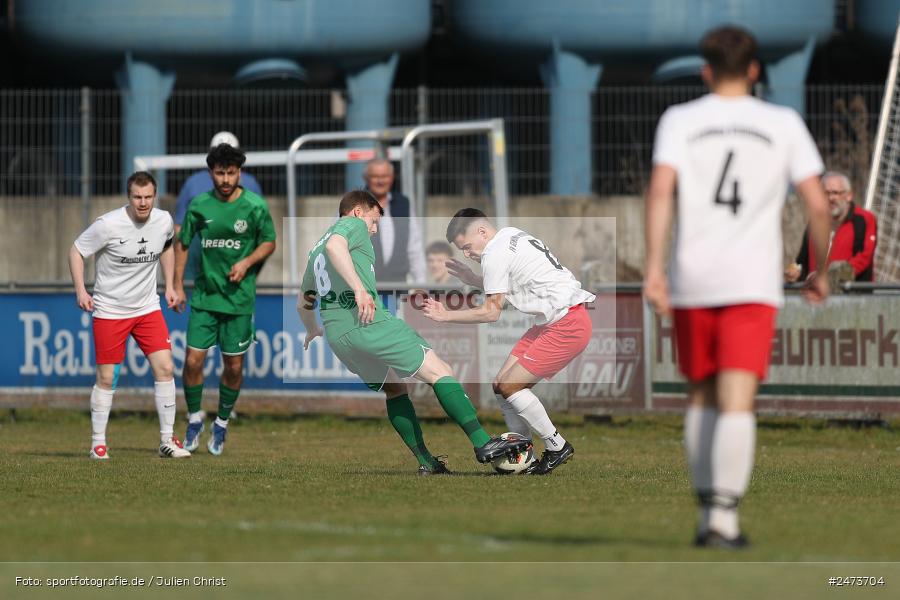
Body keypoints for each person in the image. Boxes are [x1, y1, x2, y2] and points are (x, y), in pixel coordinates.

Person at [643, 26, 831, 549]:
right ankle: (724, 519)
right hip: (752, 280)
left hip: (693, 276)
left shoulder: (680, 119)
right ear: (754, 70)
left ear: (704, 70)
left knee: (701, 395)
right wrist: (822, 270)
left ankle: (708, 515)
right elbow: (817, 204)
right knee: (738, 398)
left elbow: (661, 191)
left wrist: (655, 267)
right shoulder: (782, 122)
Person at [297, 191, 529, 474]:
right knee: (440, 371)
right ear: (359, 211)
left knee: (395, 389)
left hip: (338, 335)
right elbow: (336, 246)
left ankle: (426, 462)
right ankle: (482, 442)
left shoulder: (314, 251)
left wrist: (312, 330)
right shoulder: (349, 226)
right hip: (368, 322)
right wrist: (359, 290)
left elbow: (304, 300)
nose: (373, 230)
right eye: (374, 221)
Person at [423, 209, 595, 475]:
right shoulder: (511, 235)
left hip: (567, 324)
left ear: (482, 232)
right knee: (500, 385)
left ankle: (557, 445)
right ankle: (522, 452)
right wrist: (472, 279)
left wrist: (445, 315)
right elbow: (515, 282)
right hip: (555, 321)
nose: (467, 254)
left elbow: (491, 312)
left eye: (467, 247)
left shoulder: (494, 253)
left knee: (511, 385)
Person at [68, 171, 190, 460]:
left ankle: (167, 441)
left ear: (154, 195)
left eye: (148, 197)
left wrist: (170, 285)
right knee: (107, 377)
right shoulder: (107, 225)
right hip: (110, 311)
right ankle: (98, 443)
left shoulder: (162, 221)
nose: (143, 202)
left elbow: (166, 247)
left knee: (165, 368)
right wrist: (81, 291)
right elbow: (76, 251)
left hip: (147, 308)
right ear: (129, 197)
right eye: (137, 197)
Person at [173, 143, 276, 456]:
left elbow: (269, 242)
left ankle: (220, 424)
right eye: (220, 173)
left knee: (233, 367)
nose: (226, 178)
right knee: (192, 361)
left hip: (238, 301)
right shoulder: (199, 206)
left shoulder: (254, 206)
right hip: (205, 297)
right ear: (211, 174)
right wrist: (177, 284)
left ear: (239, 173)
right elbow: (182, 242)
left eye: (231, 172)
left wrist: (246, 263)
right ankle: (194, 418)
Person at [174, 132, 263, 281]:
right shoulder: (193, 183)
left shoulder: (250, 184)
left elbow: (262, 233)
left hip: (235, 257)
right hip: (201, 258)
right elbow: (179, 228)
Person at [785, 170, 877, 283]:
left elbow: (864, 257)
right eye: (826, 193)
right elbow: (802, 261)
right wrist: (794, 272)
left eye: (836, 193)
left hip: (854, 292)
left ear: (849, 196)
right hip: (817, 294)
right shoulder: (815, 222)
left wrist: (833, 275)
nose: (831, 198)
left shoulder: (864, 219)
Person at [362, 158, 427, 284]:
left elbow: (414, 247)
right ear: (366, 178)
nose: (380, 181)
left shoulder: (404, 204)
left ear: (391, 178)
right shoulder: (353, 204)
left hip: (397, 287)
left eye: (385, 176)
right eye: (375, 176)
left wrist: (421, 282)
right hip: (363, 289)